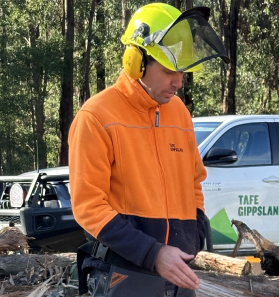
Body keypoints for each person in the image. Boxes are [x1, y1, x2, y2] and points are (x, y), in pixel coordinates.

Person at [68, 3, 228, 297]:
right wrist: (152, 253)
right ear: (135, 61)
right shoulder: (96, 117)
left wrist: (196, 232)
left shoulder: (179, 113)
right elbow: (88, 206)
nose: (178, 82)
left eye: (181, 71)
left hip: (178, 273)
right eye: (169, 71)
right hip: (125, 274)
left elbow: (193, 182)